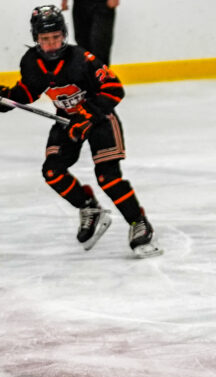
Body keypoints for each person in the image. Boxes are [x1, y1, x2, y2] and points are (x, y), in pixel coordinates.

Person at [0, 5, 160, 258]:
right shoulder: (31, 62)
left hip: (100, 119)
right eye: (45, 39)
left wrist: (86, 116)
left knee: (108, 177)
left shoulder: (81, 59)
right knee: (52, 172)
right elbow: (28, 91)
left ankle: (138, 223)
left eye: (56, 37)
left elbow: (114, 89)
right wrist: (6, 98)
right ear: (36, 38)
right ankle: (89, 208)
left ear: (64, 34)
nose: (51, 44)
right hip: (67, 121)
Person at [61, 0, 118, 67]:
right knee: (82, 44)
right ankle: (84, 72)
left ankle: (101, 72)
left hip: (102, 4)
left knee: (100, 44)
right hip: (80, 4)